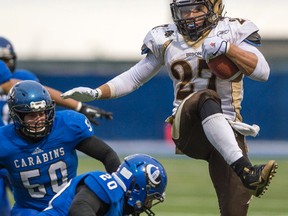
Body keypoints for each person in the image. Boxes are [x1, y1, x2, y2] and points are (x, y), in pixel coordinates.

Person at [61, 0, 278, 215]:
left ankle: (243, 170)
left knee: (234, 212)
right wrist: (97, 92)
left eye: (198, 8)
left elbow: (263, 72)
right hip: (189, 126)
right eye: (185, 10)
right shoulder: (167, 37)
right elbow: (135, 76)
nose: (191, 15)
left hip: (229, 129)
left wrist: (228, 48)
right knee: (205, 98)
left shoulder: (232, 30)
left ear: (215, 7)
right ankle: (246, 169)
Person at [0, 37, 113, 216]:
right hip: (30, 210)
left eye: (42, 113)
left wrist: (119, 189)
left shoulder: (66, 125)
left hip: (67, 205)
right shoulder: (5, 141)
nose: (38, 119)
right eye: (31, 115)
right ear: (17, 116)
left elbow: (107, 154)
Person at [39, 153, 167, 216]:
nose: (149, 204)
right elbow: (79, 208)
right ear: (138, 188)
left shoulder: (119, 202)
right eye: (149, 198)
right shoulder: (109, 186)